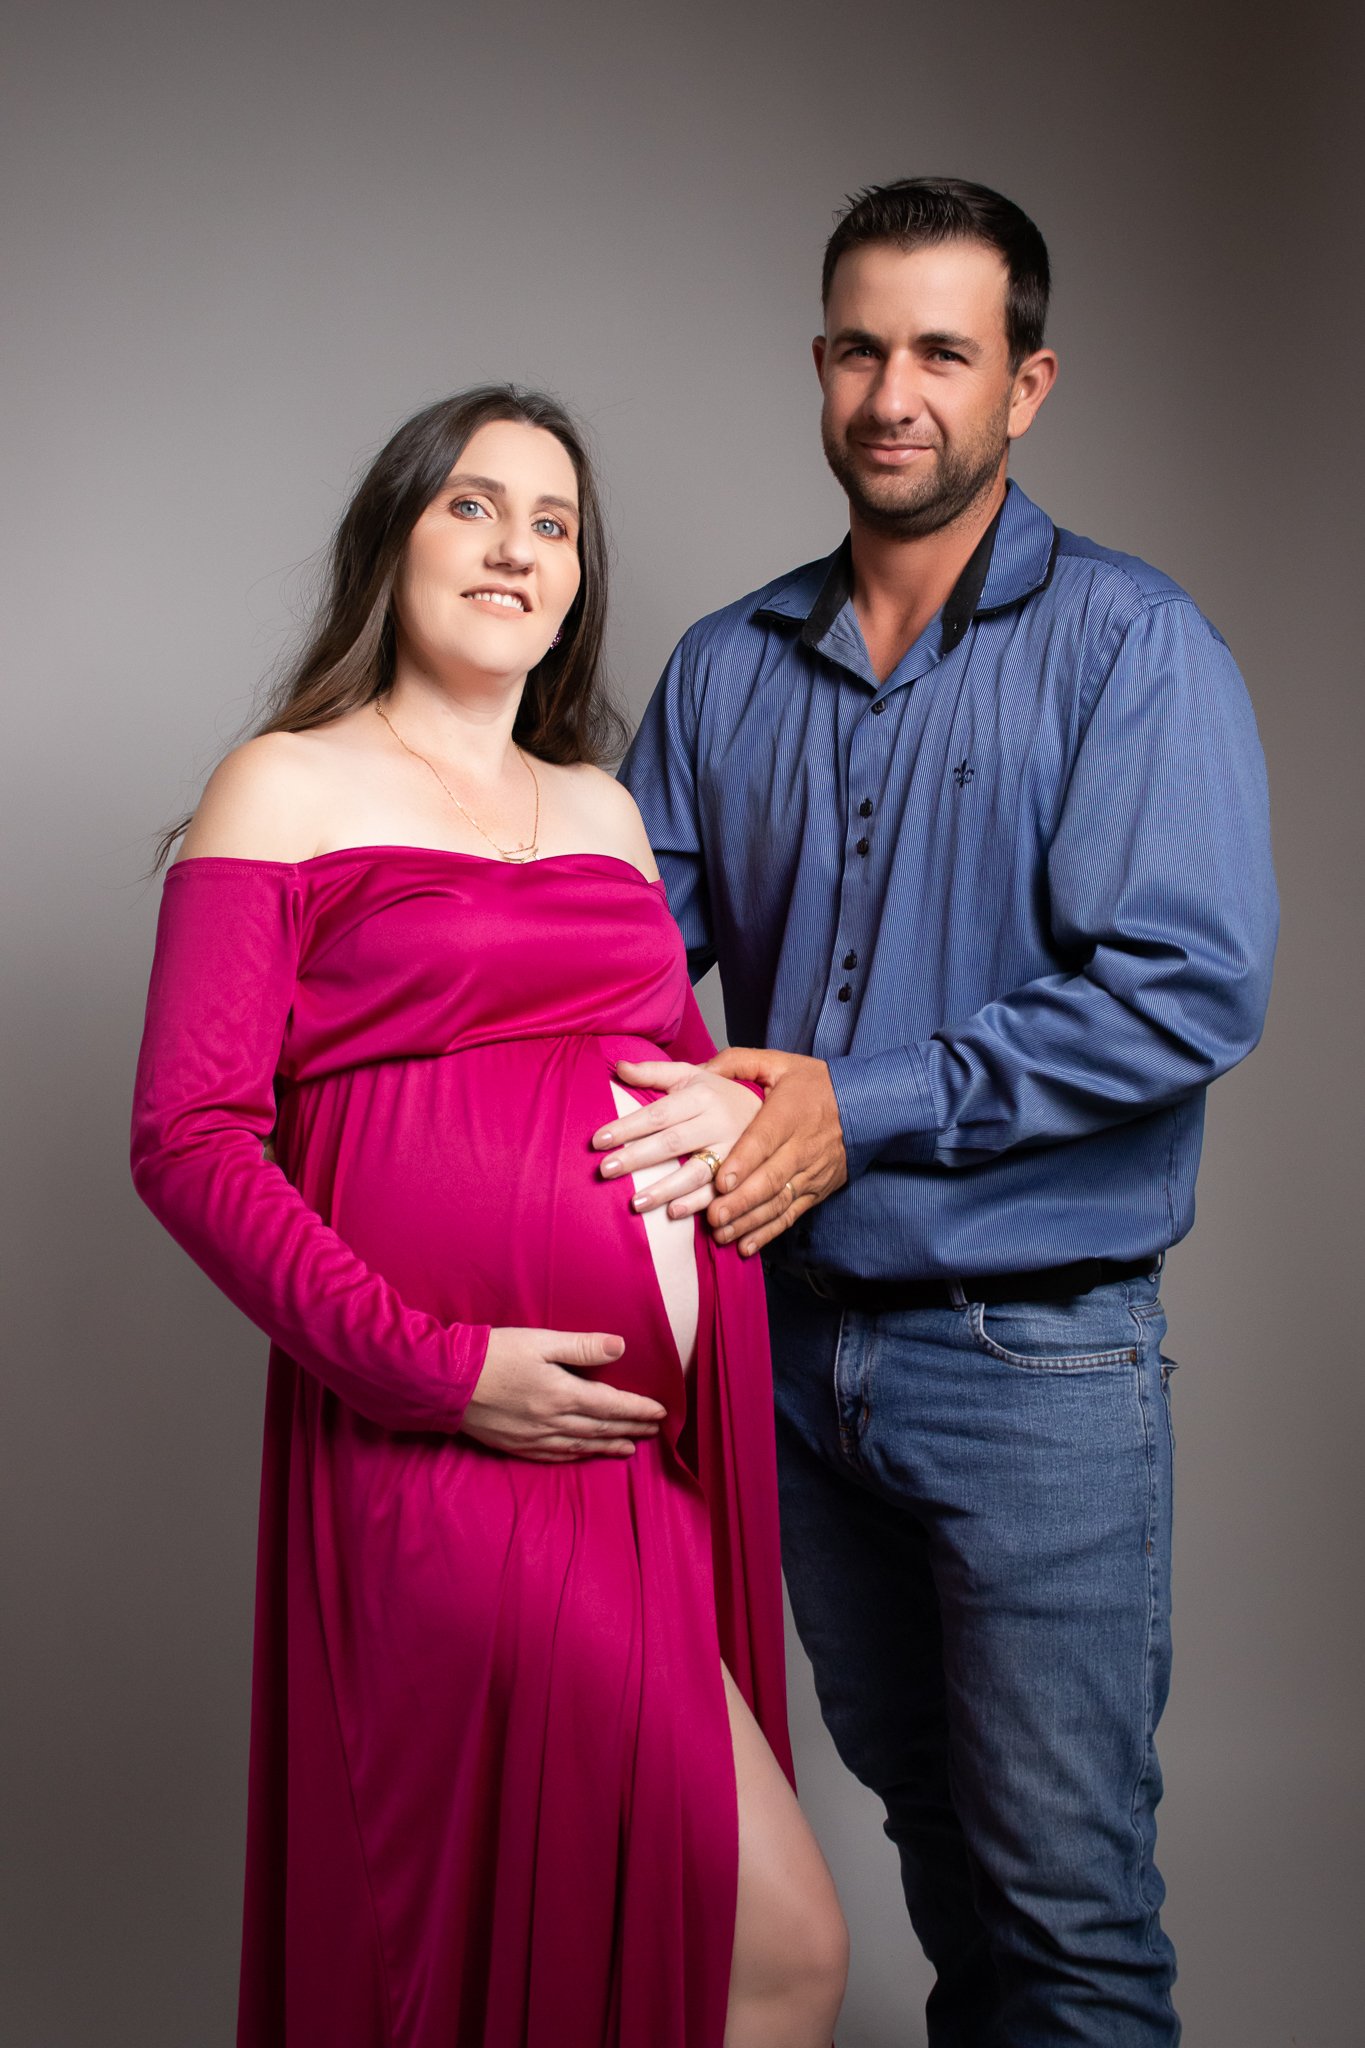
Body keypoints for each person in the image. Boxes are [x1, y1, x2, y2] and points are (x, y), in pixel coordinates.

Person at [614, 180, 1278, 2043]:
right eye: (857, 348)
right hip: (783, 1358)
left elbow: (1189, 988)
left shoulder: (1133, 646)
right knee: (943, 1871)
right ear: (817, 365)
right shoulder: (724, 667)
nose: (890, 393)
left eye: (939, 353)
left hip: (1031, 1364)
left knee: (1063, 1912)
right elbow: (607, 981)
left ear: (1024, 385)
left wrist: (864, 1107)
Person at [130, 385, 848, 2048]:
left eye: (554, 523)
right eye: (471, 504)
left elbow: (663, 1078)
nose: (515, 546)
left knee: (649, 1953)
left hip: (637, 1461)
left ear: (577, 581)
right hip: (447, 1437)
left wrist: (731, 1108)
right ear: (391, 539)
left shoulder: (599, 810)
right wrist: (436, 1370)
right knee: (764, 1945)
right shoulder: (281, 787)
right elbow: (188, 1138)